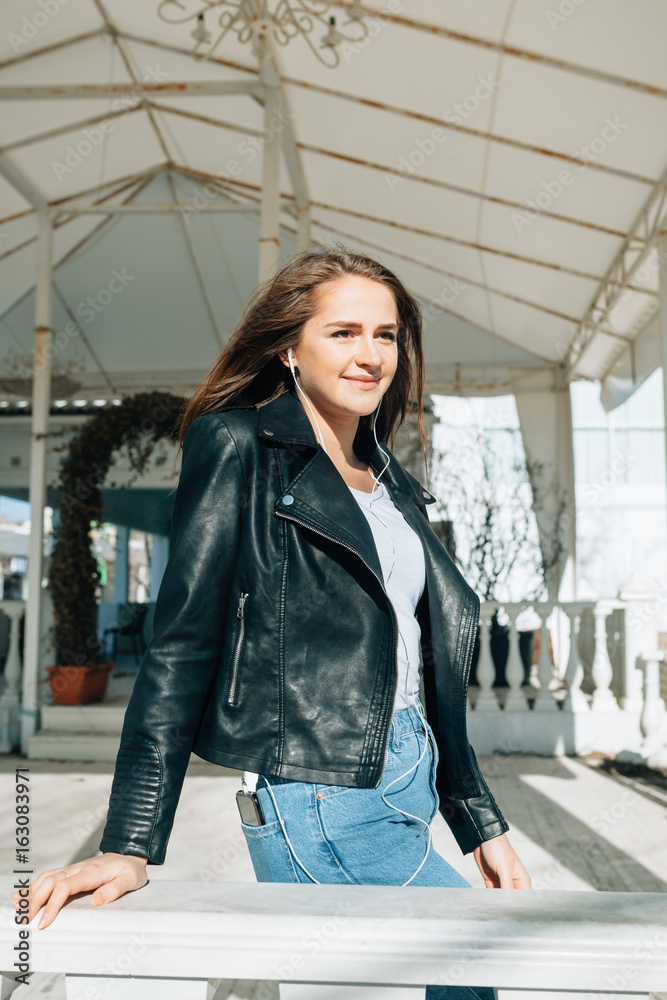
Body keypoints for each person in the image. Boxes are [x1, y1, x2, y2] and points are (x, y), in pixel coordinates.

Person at [11, 245, 530, 999]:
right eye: (343, 333)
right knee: (468, 973)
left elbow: (419, 663)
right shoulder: (238, 447)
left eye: (385, 335)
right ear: (289, 347)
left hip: (406, 782)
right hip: (320, 793)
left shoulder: (391, 485)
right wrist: (128, 842)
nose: (370, 355)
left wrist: (477, 820)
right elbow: (181, 644)